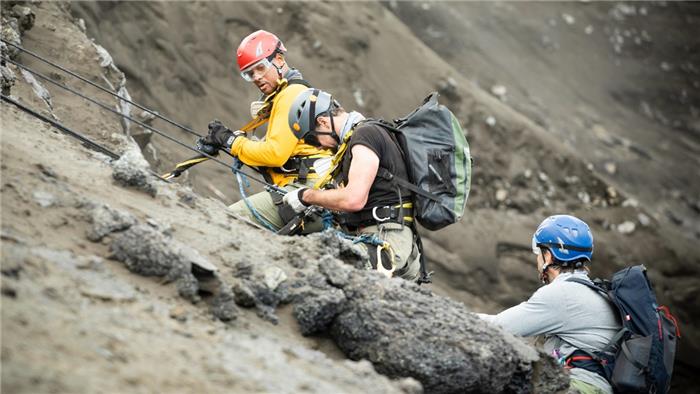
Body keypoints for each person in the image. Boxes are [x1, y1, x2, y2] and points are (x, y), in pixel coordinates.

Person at [198, 30, 332, 231]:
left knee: (224, 221)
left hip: (304, 190)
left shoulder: (290, 95)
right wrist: (232, 142)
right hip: (311, 189)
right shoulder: (291, 93)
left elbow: (275, 154)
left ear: (278, 59)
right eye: (249, 74)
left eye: (260, 68)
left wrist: (230, 142)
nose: (256, 77)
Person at [282, 88, 421, 281]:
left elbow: (354, 199)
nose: (319, 147)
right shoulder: (365, 134)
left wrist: (306, 196)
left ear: (322, 122)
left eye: (312, 139)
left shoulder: (365, 135)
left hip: (386, 239)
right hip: (389, 236)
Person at [477, 215, 621, 394]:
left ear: (549, 255)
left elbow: (499, 327)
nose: (537, 259)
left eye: (539, 252)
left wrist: (453, 313)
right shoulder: (595, 291)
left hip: (582, 387)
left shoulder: (563, 294)